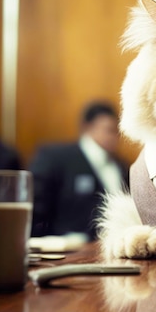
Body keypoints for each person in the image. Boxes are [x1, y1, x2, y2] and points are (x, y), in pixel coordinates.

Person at [29, 101, 129, 240]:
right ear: (88, 127)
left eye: (117, 132)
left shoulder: (122, 166)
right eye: (108, 130)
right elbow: (36, 206)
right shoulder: (56, 158)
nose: (114, 137)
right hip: (64, 248)